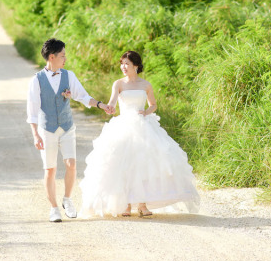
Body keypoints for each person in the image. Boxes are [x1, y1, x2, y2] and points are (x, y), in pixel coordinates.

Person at [79, 51, 200, 218]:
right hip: (124, 125)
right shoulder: (118, 84)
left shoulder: (146, 85)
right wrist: (109, 107)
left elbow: (154, 105)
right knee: (125, 162)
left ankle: (142, 205)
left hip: (143, 125)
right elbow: (113, 102)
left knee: (145, 162)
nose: (123, 67)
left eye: (127, 63)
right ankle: (126, 205)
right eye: (122, 64)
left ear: (136, 65)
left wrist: (146, 112)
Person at [27, 38, 113, 222]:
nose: (65, 59)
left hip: (66, 127)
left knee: (71, 164)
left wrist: (100, 105)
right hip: (46, 129)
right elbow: (32, 110)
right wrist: (35, 134)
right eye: (62, 56)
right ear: (52, 56)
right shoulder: (37, 80)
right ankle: (54, 208)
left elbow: (83, 96)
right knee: (50, 169)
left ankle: (67, 199)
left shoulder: (69, 75)